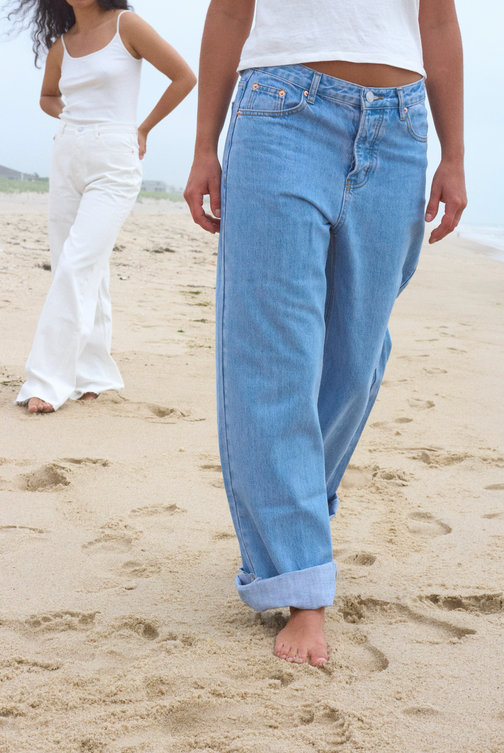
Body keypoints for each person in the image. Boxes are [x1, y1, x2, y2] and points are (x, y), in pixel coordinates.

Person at [185, 0, 467, 666]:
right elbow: (230, 10)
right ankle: (302, 586)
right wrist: (203, 145)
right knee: (275, 355)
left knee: (358, 358)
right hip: (281, 112)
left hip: (399, 124)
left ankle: (291, 507)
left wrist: (454, 155)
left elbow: (437, 19)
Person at [8, 0, 196, 413]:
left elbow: (184, 77)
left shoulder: (126, 25)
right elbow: (47, 96)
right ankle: (92, 373)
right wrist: (74, 116)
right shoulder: (63, 43)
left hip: (114, 158)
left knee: (77, 263)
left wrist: (142, 128)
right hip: (67, 155)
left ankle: (46, 380)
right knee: (77, 265)